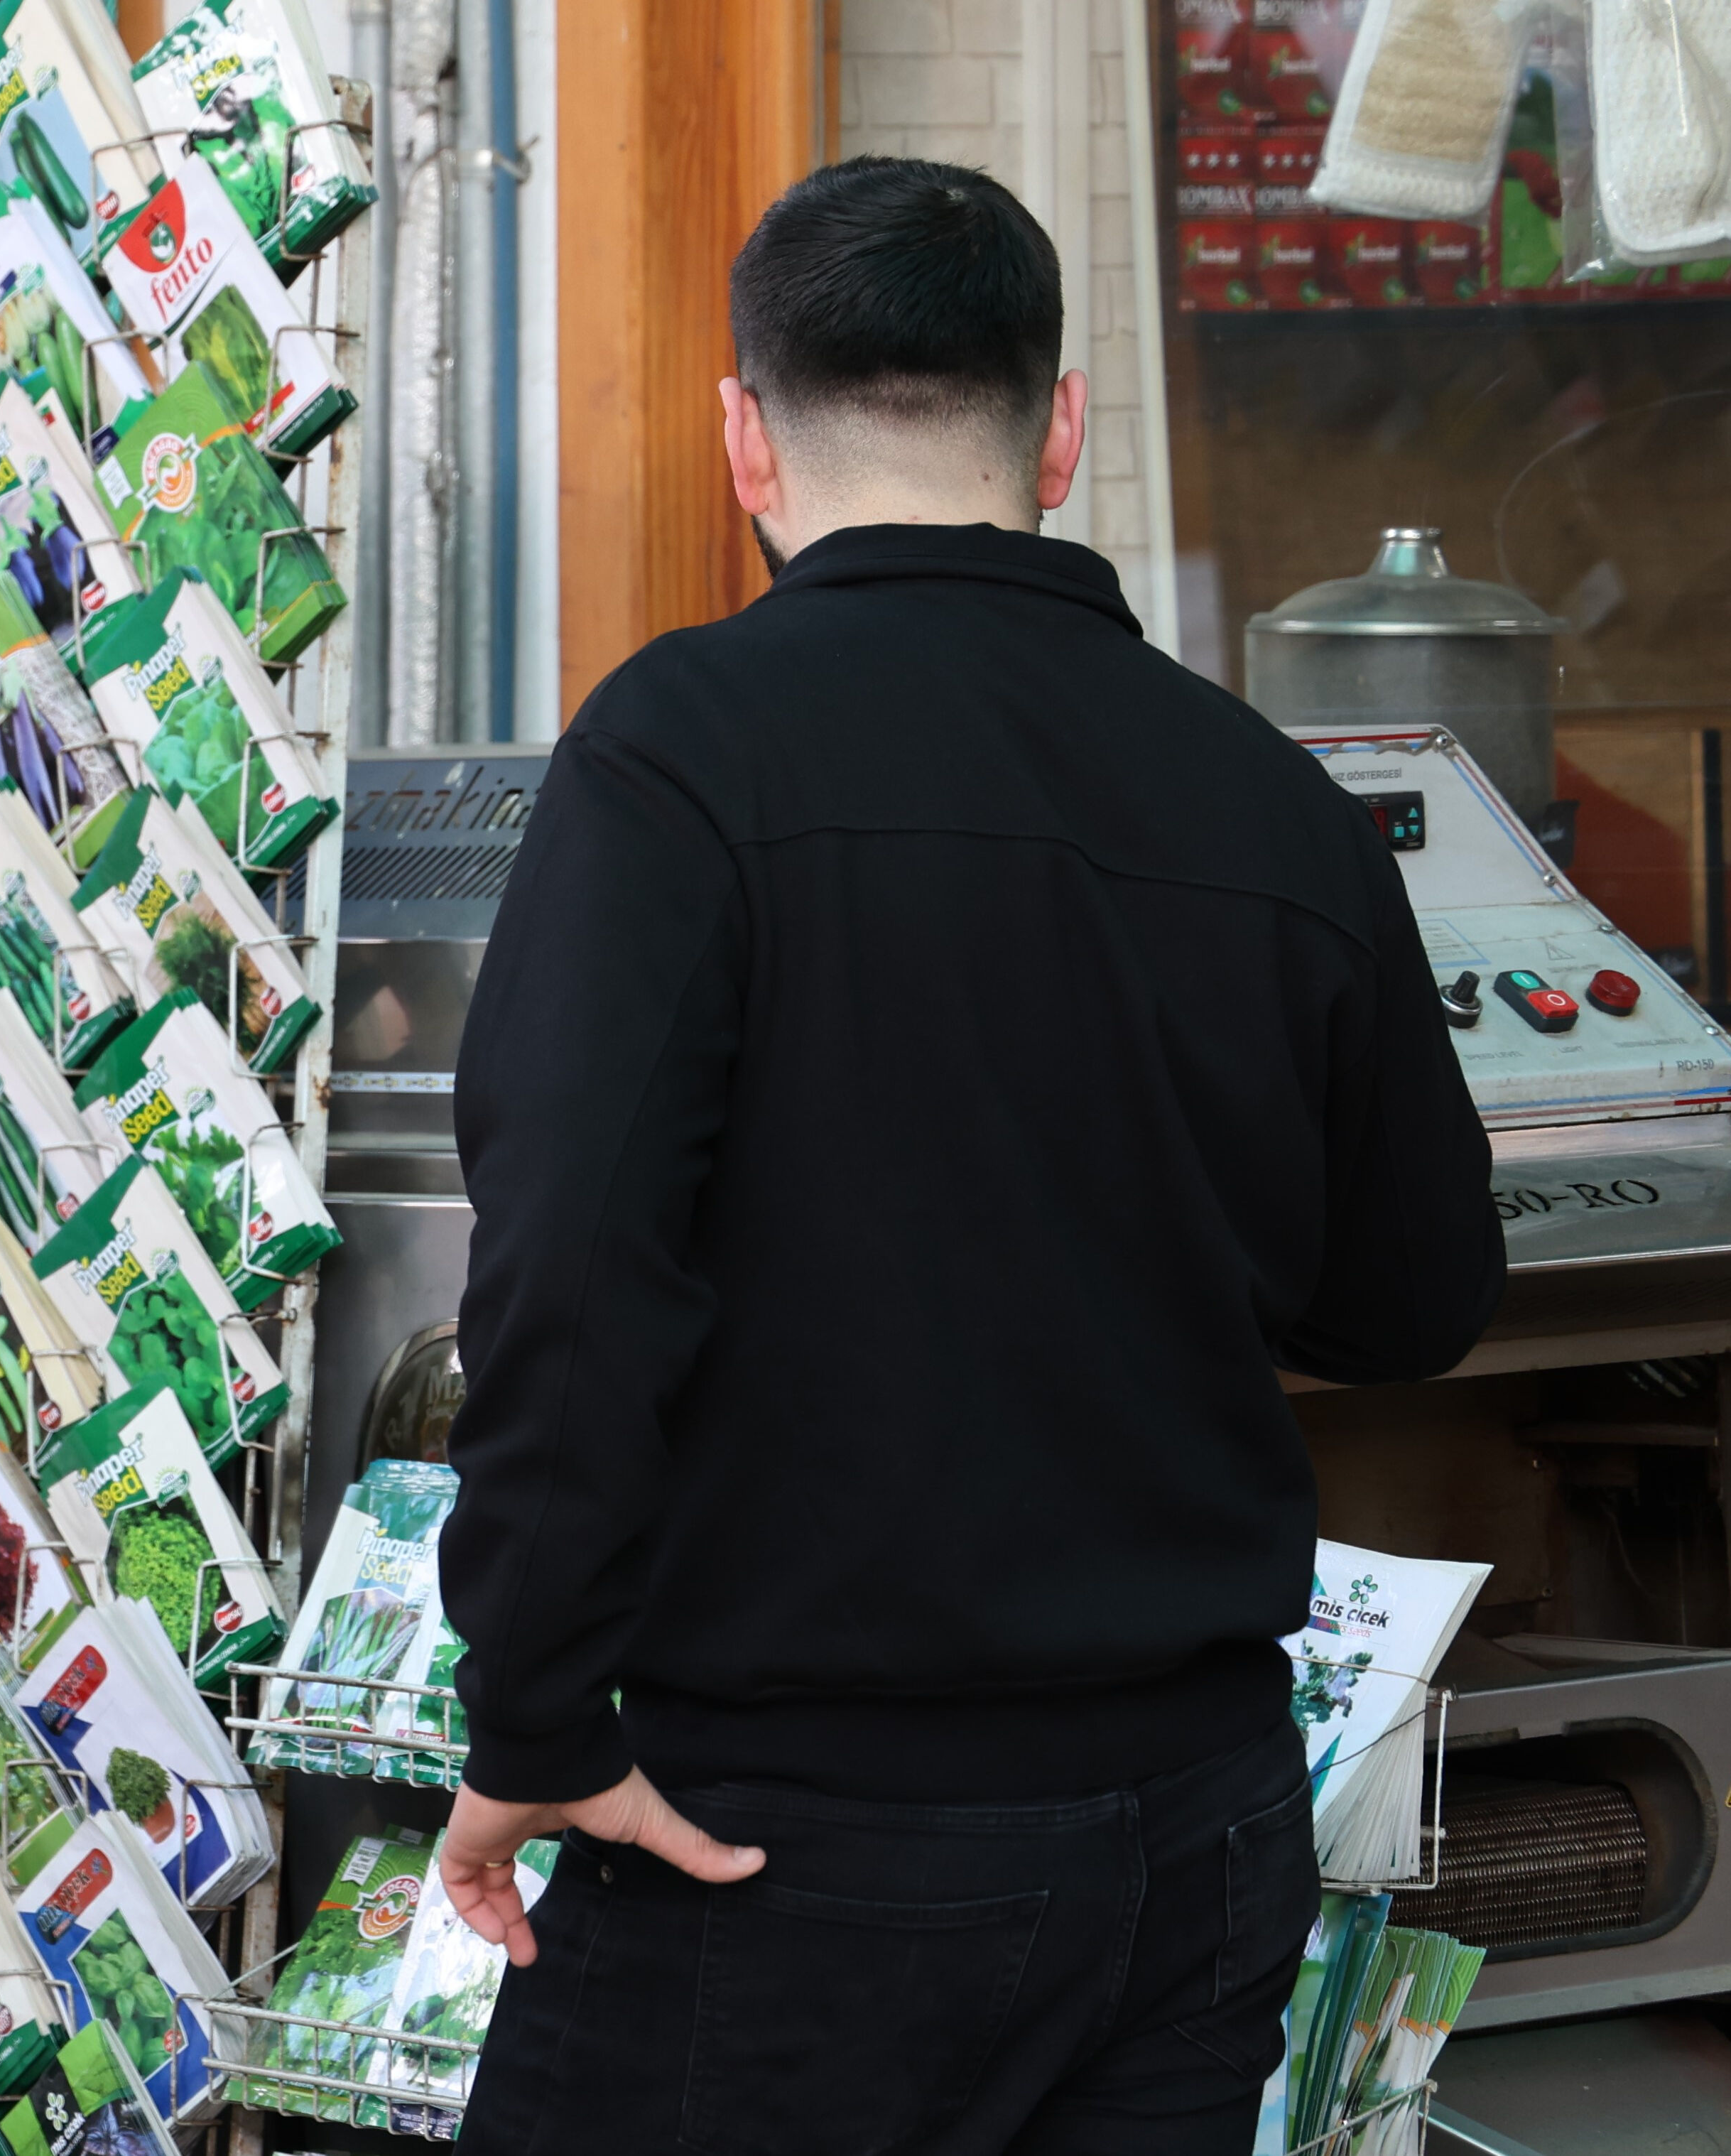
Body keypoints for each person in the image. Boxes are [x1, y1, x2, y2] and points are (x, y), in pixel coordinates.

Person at [430, 160, 1500, 2154]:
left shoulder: (679, 753)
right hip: (1193, 1829)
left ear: (742, 433)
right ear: (1063, 430)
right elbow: (1415, 1299)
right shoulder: (1269, 801)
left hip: (789, 1836)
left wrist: (534, 1718)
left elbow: (567, 1272)